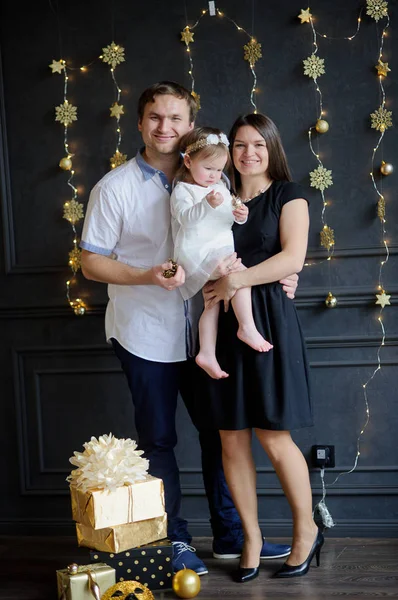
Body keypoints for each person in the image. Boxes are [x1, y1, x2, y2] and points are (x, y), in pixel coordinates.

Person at [80, 81, 295, 576]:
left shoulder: (216, 175)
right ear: (139, 123)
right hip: (144, 332)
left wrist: (286, 270)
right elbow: (90, 262)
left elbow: (252, 238)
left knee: (222, 434)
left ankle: (230, 536)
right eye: (155, 117)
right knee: (157, 441)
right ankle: (174, 541)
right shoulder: (114, 188)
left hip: (208, 332)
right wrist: (144, 274)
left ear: (190, 126)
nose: (165, 128)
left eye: (176, 118)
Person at [199, 113, 323, 582]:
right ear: (229, 151)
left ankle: (305, 530)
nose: (248, 153)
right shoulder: (219, 199)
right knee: (231, 436)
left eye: (258, 145)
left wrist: (236, 280)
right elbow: (197, 250)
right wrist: (214, 283)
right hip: (226, 322)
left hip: (269, 321)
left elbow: (292, 257)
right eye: (239, 145)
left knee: (273, 435)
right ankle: (250, 536)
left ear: (272, 148)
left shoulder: (289, 196)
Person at [170, 126, 272, 380]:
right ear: (188, 161)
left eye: (219, 170)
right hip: (199, 252)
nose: (214, 176)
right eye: (208, 169)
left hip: (219, 249)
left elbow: (226, 216)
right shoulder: (184, 190)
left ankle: (206, 352)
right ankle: (246, 326)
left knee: (212, 303)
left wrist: (240, 215)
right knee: (242, 275)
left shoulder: (221, 187)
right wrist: (205, 204)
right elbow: (186, 219)